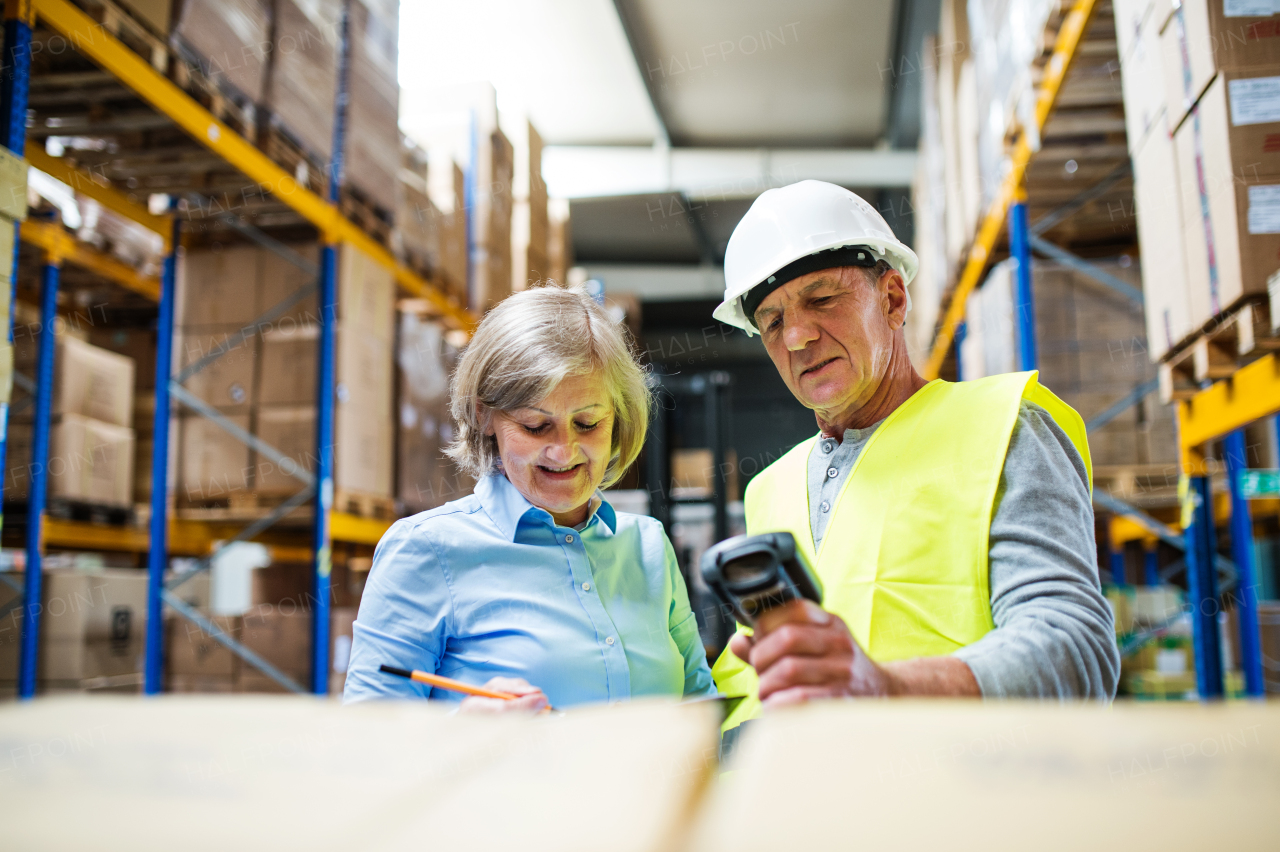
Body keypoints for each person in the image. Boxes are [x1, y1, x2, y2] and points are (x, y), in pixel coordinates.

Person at [709, 180, 1119, 733]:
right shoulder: (769, 489)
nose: (798, 337)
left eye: (822, 298)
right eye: (772, 321)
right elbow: (760, 691)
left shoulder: (1000, 427)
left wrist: (888, 690)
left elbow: (1074, 651)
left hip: (959, 803)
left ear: (893, 299)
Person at [344, 284, 715, 712]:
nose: (565, 451)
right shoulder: (427, 550)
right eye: (537, 426)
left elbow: (699, 710)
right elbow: (365, 747)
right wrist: (462, 732)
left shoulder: (647, 546)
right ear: (484, 415)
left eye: (589, 423)